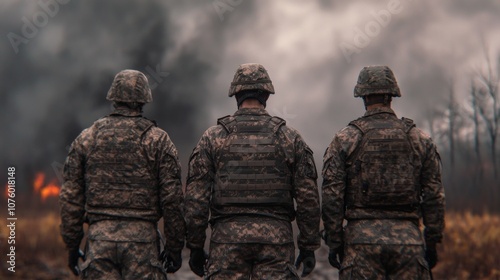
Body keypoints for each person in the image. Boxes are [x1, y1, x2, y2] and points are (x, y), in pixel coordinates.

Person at [185, 63, 321, 279]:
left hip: (226, 241)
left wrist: (194, 245)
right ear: (266, 94)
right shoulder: (289, 137)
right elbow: (308, 198)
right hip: (276, 241)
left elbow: (196, 199)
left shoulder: (213, 137)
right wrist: (308, 245)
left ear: (236, 94)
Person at [59, 69, 185, 279]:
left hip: (100, 243)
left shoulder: (87, 138)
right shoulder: (157, 140)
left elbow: (70, 199)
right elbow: (173, 200)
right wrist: (174, 249)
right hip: (143, 245)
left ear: (114, 96)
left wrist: (72, 247)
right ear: (144, 98)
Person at [322, 65, 445, 279]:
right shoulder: (419, 139)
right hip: (408, 241)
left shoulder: (346, 139)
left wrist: (334, 241)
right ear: (392, 95)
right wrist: (432, 241)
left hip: (360, 243)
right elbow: (434, 195)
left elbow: (332, 195)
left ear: (363, 96)